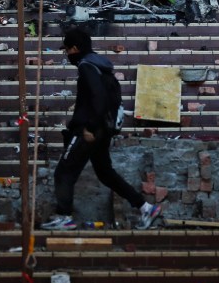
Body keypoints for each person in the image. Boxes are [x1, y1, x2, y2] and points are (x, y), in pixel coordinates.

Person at [41, 27, 162, 231]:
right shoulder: (102, 66)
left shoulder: (87, 67)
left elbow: (98, 98)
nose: (66, 54)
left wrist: (88, 127)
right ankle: (145, 207)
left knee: (64, 172)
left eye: (67, 50)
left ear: (75, 48)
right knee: (105, 173)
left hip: (89, 130)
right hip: (103, 129)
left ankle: (64, 216)